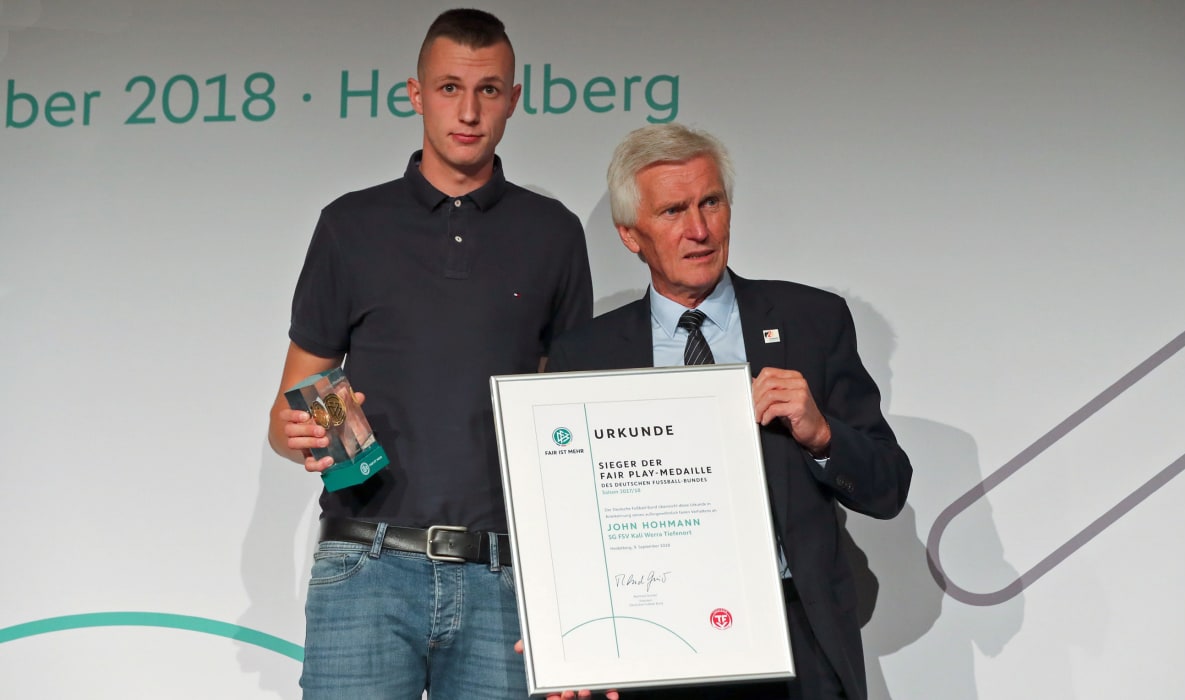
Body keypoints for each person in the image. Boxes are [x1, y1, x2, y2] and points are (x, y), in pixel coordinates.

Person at [267, 9, 592, 699]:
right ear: (415, 94)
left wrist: (574, 603)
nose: (468, 111)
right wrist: (300, 431)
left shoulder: (554, 233)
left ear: (513, 98)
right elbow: (292, 404)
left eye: (488, 90)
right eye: (449, 88)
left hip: (506, 575)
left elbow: (567, 423)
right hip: (367, 565)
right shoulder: (350, 225)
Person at [544, 123, 912, 700]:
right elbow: (567, 525)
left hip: (796, 642)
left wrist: (822, 436)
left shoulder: (811, 321)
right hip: (654, 646)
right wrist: (571, 646)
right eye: (672, 211)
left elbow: (888, 489)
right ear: (630, 235)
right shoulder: (585, 356)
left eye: (710, 202)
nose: (699, 229)